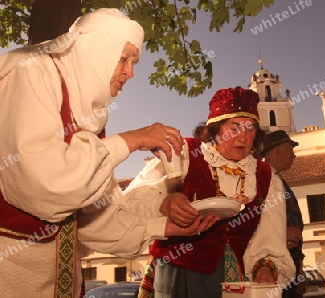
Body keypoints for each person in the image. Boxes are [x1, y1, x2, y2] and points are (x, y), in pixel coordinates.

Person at [0, 8, 217, 298]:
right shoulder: (30, 71)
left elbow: (94, 221)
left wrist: (167, 227)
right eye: (124, 57)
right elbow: (44, 186)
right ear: (95, 48)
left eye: (134, 62)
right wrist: (131, 140)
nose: (130, 72)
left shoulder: (91, 120)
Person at [127, 86, 296, 298]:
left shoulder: (266, 176)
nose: (243, 137)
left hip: (238, 279)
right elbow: (134, 197)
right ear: (216, 130)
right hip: (179, 272)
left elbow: (269, 237)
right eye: (234, 127)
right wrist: (166, 203)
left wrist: (265, 267)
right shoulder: (185, 154)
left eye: (250, 128)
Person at [260, 130, 305, 298]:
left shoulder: (277, 180)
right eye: (290, 151)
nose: (293, 156)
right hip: (271, 265)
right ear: (277, 151)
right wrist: (282, 234)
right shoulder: (262, 181)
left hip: (286, 262)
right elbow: (255, 222)